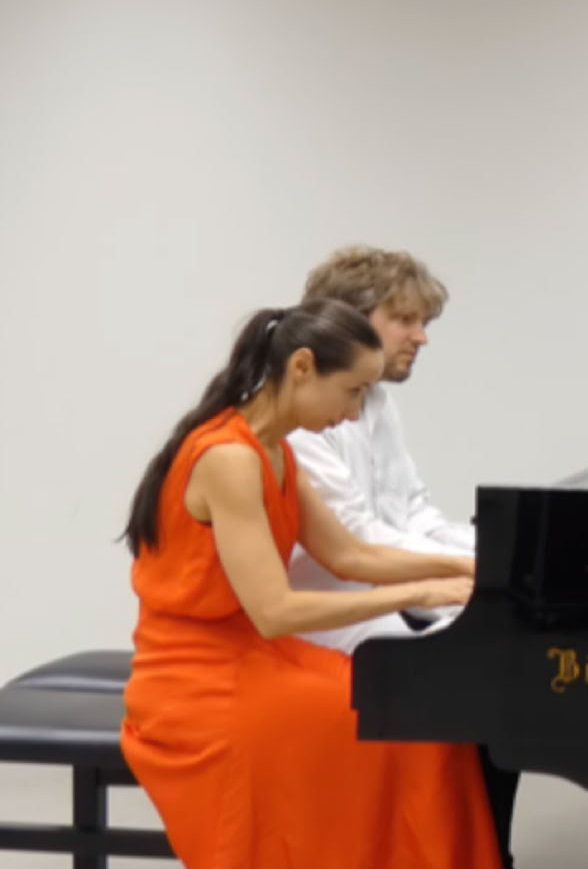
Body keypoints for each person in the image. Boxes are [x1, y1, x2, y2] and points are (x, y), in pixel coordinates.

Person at [119, 297, 502, 869]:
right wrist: (420, 593)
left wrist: (467, 568)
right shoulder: (229, 458)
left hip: (253, 655)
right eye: (352, 391)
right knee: (375, 727)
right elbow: (275, 611)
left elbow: (350, 555)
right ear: (301, 367)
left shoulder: (274, 450)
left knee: (419, 714)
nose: (355, 412)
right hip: (196, 676)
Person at [286, 246, 520, 868]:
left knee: (501, 667)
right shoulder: (304, 421)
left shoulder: (375, 403)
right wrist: (475, 573)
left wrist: (501, 554)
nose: (421, 337)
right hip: (333, 612)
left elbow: (411, 513)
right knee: (482, 674)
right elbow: (357, 545)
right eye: (405, 319)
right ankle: (455, 848)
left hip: (376, 590)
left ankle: (480, 848)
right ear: (349, 319)